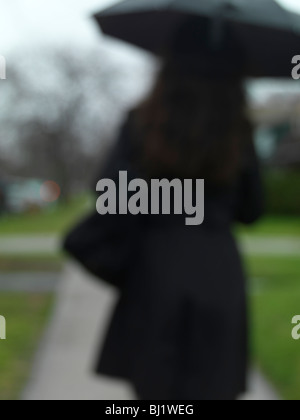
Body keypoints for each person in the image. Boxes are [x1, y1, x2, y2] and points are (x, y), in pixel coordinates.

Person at [64, 18, 264, 400]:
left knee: (156, 396)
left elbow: (110, 200)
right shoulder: (239, 130)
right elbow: (252, 209)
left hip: (155, 271)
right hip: (217, 270)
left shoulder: (143, 122)